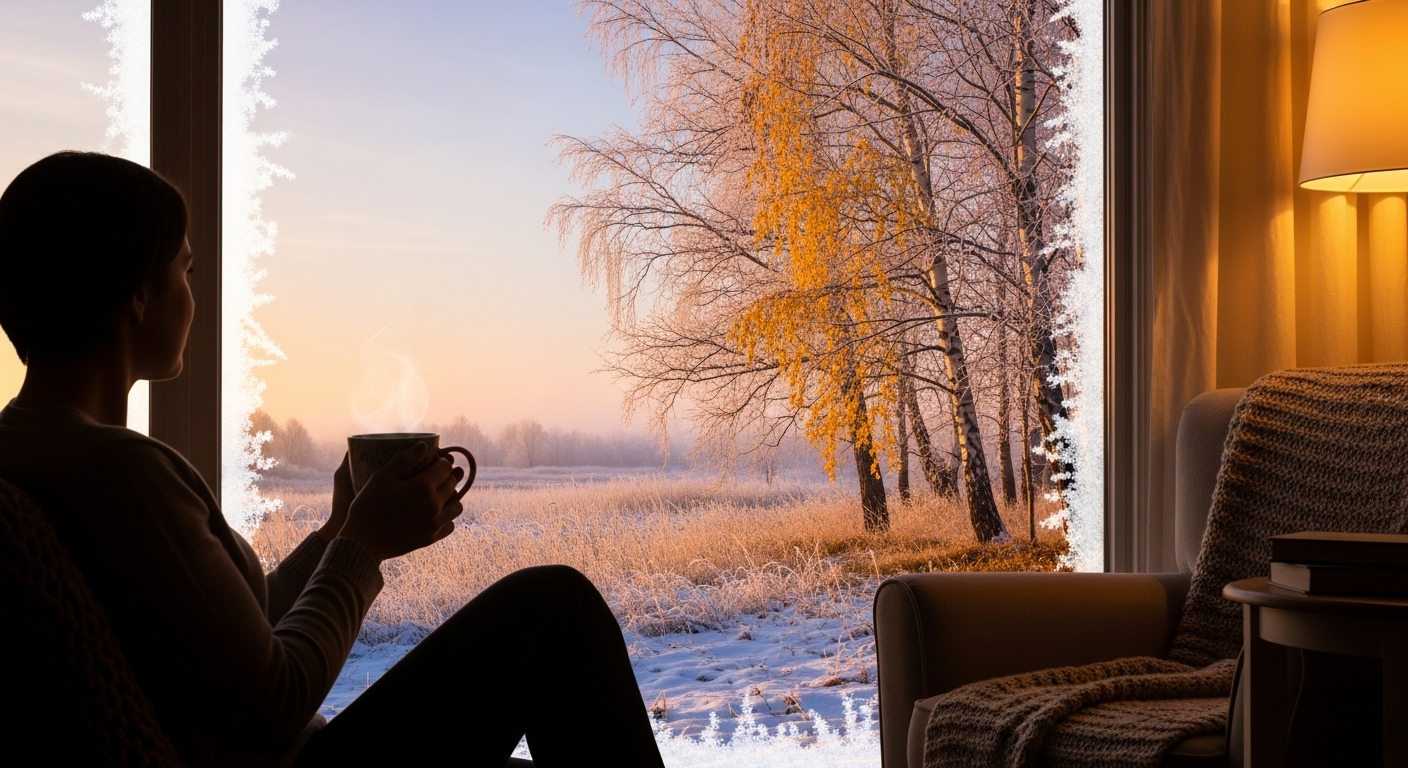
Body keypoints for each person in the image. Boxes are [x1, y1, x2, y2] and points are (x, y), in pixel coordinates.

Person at [0, 151, 666, 768]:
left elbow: (239, 630)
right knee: (556, 608)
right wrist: (364, 544)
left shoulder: (31, 449)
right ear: (138, 295)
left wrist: (334, 531)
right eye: (185, 269)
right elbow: (274, 703)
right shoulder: (121, 472)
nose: (194, 294)